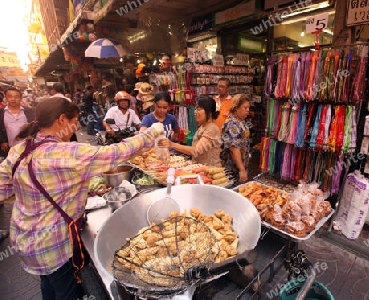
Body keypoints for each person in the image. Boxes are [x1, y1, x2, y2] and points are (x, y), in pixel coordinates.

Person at [0, 96, 164, 300]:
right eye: (74, 122)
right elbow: (117, 152)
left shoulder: (19, 151)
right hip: (53, 244)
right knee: (66, 290)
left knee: (48, 284)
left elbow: (3, 190)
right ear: (61, 120)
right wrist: (152, 132)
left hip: (24, 239)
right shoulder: (66, 153)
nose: (75, 127)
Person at [158, 95, 222, 167]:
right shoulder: (203, 126)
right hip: (201, 169)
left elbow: (197, 150)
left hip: (210, 171)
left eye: (199, 109)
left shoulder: (212, 129)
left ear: (209, 113)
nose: (195, 112)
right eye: (195, 108)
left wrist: (172, 145)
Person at [220, 94, 251, 183]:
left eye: (248, 108)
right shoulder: (232, 124)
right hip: (233, 168)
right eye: (245, 108)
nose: (248, 110)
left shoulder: (240, 121)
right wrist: (242, 170)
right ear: (236, 108)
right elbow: (233, 149)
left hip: (239, 165)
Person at [0, 87, 35, 158]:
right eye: (10, 96)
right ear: (6, 98)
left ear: (21, 98)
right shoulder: (1, 112)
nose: (13, 99)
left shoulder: (29, 111)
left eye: (16, 97)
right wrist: (2, 141)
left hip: (26, 148)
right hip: (8, 148)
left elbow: (34, 126)